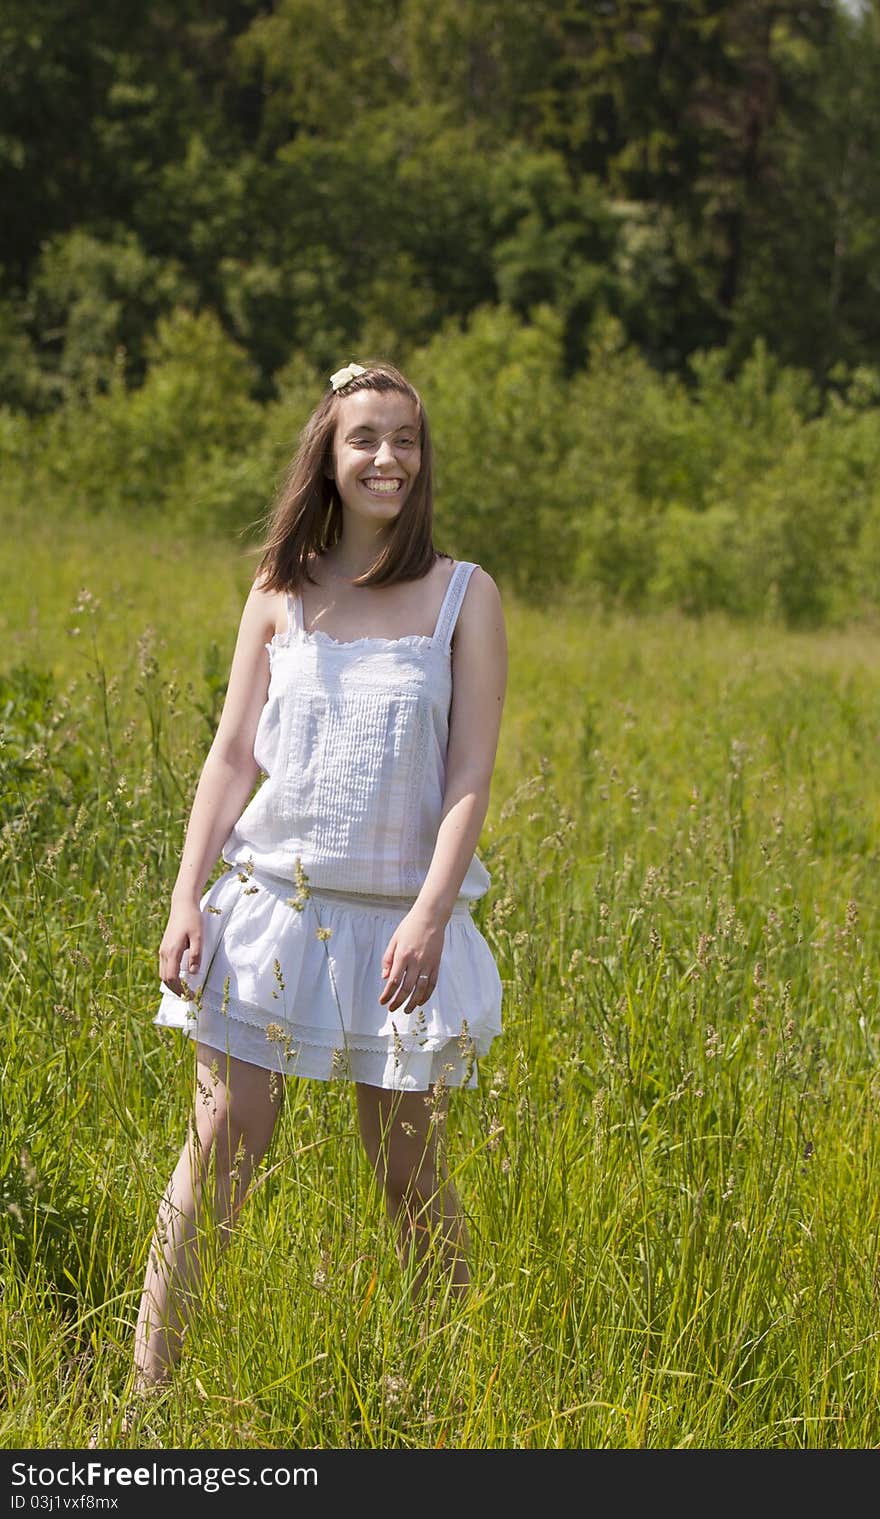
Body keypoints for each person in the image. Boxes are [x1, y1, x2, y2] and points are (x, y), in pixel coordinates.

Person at [132, 359, 508, 1392]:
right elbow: (231, 758)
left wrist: (432, 914)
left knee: (405, 1165)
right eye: (365, 438)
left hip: (398, 925)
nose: (387, 456)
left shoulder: (462, 596)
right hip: (269, 912)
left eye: (406, 440)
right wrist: (183, 900)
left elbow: (471, 771)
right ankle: (149, 1388)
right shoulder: (277, 593)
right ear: (329, 457)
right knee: (222, 1140)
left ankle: (431, 1381)